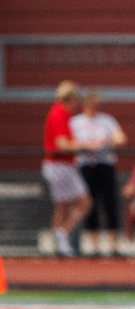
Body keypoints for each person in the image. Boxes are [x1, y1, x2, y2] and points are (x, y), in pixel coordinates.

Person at [70, 90, 126, 257]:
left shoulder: (107, 120)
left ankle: (114, 246)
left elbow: (121, 139)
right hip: (86, 166)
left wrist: (106, 142)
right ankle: (94, 246)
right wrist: (86, 146)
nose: (94, 109)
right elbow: (69, 143)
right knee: (90, 204)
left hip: (105, 165)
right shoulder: (76, 122)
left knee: (110, 203)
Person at [40, 80, 89, 257]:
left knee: (63, 206)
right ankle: (62, 236)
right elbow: (62, 145)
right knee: (84, 202)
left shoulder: (62, 113)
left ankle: (58, 241)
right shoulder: (59, 113)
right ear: (72, 98)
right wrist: (86, 146)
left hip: (61, 165)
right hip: (60, 165)